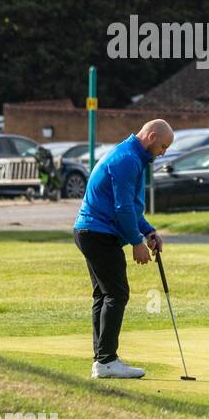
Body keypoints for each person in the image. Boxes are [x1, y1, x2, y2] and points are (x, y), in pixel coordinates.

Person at [73, 120, 174, 378]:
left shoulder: (132, 157)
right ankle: (107, 361)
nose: (163, 152)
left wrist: (148, 230)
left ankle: (102, 360)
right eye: (162, 146)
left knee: (105, 295)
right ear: (151, 137)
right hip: (98, 233)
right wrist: (136, 241)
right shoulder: (127, 159)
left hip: (92, 232)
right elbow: (122, 209)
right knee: (116, 294)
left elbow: (130, 206)